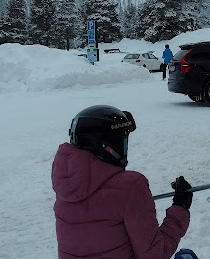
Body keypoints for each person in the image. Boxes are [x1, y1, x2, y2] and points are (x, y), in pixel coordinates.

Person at [52, 105, 193, 259]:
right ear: (108, 146)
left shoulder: (67, 186)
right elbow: (155, 254)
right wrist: (180, 208)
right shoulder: (131, 186)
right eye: (123, 142)